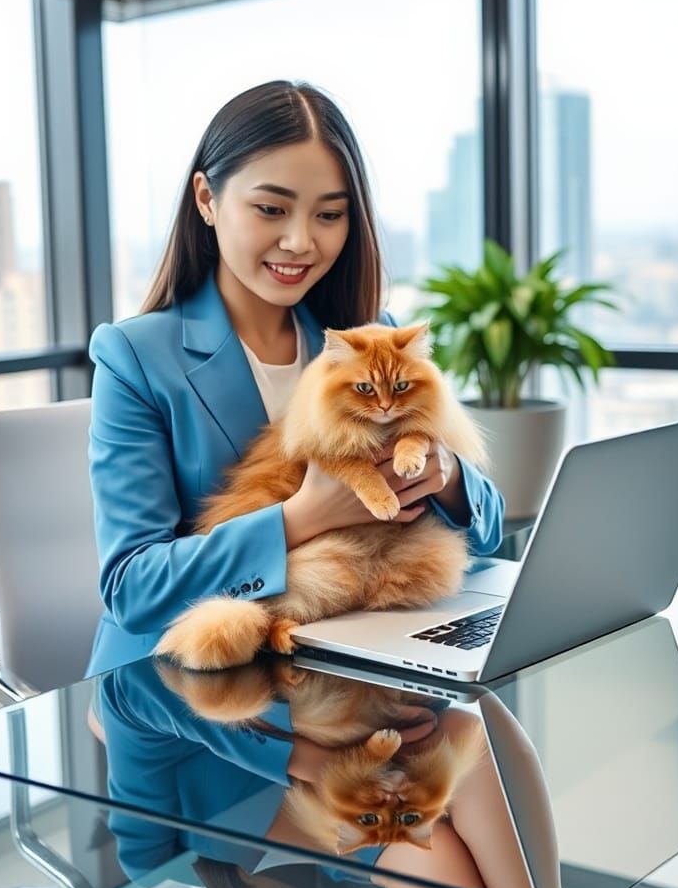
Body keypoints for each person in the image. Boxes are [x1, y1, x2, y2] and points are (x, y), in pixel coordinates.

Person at [86, 80, 505, 677]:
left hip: (357, 647)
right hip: (190, 685)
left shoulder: (367, 339)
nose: (301, 242)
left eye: (329, 214)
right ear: (207, 199)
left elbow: (488, 524)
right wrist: (306, 514)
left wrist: (448, 477)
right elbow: (132, 590)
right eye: (271, 209)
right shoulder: (135, 356)